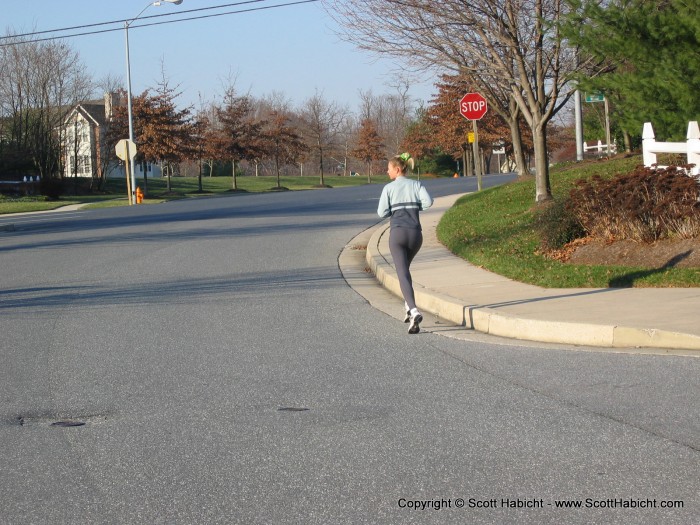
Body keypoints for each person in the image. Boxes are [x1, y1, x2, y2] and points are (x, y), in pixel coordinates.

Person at [377, 153, 433, 334]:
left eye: (389, 169)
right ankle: (408, 308)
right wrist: (415, 207)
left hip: (398, 234)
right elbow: (428, 202)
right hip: (416, 235)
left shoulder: (389, 188)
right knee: (405, 272)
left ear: (397, 169)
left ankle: (414, 310)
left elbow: (381, 212)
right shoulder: (416, 184)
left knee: (402, 273)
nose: (387, 172)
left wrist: (394, 210)